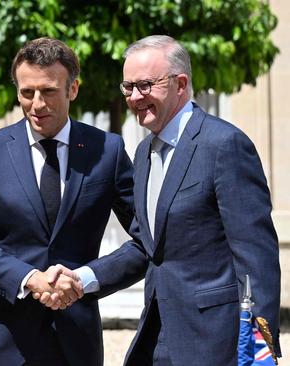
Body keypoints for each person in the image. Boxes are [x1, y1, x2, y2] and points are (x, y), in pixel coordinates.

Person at [69, 35, 281, 365]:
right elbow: (146, 246)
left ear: (180, 83)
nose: (135, 97)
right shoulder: (142, 154)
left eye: (145, 85)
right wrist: (82, 278)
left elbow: (256, 255)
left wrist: (259, 349)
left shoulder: (224, 145)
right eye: (128, 87)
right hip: (156, 340)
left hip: (216, 344)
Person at [0, 37, 135, 366]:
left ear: (73, 89)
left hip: (75, 341)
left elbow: (146, 236)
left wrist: (85, 278)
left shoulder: (107, 151)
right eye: (27, 93)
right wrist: (29, 279)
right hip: (0, 340)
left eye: (49, 91)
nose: (37, 104)